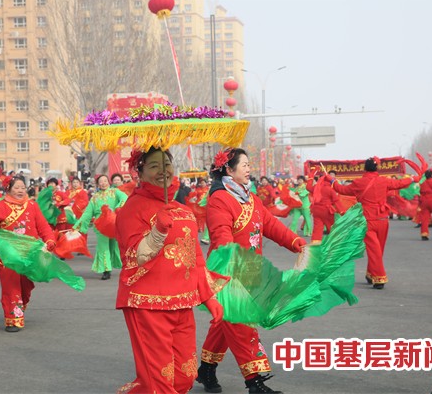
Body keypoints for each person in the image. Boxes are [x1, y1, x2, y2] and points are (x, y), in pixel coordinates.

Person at [115, 147, 227, 394]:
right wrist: (158, 231)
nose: (163, 170)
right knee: (161, 381)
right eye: (154, 166)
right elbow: (135, 256)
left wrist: (210, 298)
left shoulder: (183, 210)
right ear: (140, 172)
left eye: (166, 164)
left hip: (182, 303)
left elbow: (195, 259)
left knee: (184, 377)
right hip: (148, 304)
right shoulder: (133, 209)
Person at [197, 147, 306, 394]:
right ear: (229, 169)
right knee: (243, 325)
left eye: (248, 164)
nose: (249, 169)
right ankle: (254, 381)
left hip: (250, 272)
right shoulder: (220, 199)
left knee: (224, 325)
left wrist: (295, 242)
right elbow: (220, 234)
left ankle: (205, 369)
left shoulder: (250, 198)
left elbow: (270, 225)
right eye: (244, 164)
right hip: (229, 273)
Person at [0, 177, 56, 332]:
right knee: (11, 286)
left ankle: (19, 306)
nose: (20, 191)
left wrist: (50, 240)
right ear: (9, 189)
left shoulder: (32, 206)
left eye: (23, 187)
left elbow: (43, 227)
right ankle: (13, 319)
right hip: (7, 255)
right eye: (17, 187)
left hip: (29, 254)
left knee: (26, 286)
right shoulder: (0, 207)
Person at [329, 157, 417, 289]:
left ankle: (379, 277)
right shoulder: (384, 181)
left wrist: (332, 181)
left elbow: (342, 190)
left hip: (368, 220)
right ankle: (372, 274)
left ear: (365, 168)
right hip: (382, 219)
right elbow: (400, 184)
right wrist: (412, 179)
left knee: (374, 250)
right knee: (378, 250)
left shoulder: (359, 183)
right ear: (377, 168)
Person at [73, 175, 127, 280]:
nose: (103, 183)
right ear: (98, 184)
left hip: (113, 223)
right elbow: (87, 213)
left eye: (105, 181)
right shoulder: (95, 198)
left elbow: (124, 198)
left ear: (108, 182)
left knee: (114, 246)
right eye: (101, 181)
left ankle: (112, 265)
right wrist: (78, 225)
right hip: (100, 225)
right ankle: (106, 270)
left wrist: (117, 208)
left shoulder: (115, 192)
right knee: (103, 247)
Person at [306, 170, 342, 245]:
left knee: (317, 230)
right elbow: (336, 201)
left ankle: (315, 246)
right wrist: (343, 212)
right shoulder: (330, 189)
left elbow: (308, 187)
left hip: (316, 210)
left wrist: (311, 176)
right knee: (332, 228)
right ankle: (336, 245)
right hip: (326, 210)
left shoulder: (316, 187)